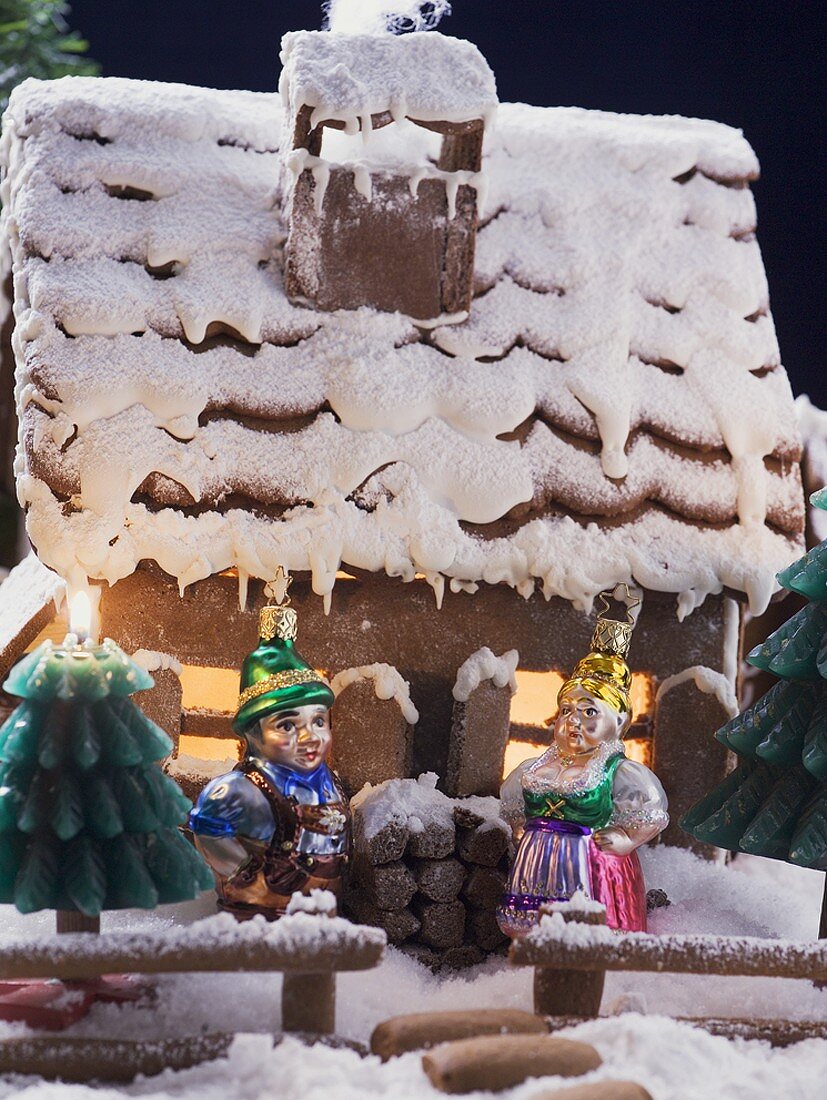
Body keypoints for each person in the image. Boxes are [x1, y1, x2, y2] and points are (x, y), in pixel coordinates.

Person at [497, 602, 667, 935]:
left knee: (587, 934)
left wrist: (626, 839)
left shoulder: (616, 772)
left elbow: (651, 815)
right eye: (566, 710)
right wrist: (526, 836)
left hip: (592, 867)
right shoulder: (537, 767)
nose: (574, 721)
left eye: (589, 712)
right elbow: (515, 811)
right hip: (538, 865)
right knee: (536, 930)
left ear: (619, 722)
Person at [189, 580, 350, 920]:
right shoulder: (241, 790)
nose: (309, 737)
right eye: (287, 726)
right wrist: (242, 871)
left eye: (319, 721)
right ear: (253, 733)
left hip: (319, 920)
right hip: (257, 920)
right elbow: (206, 829)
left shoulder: (329, 783)